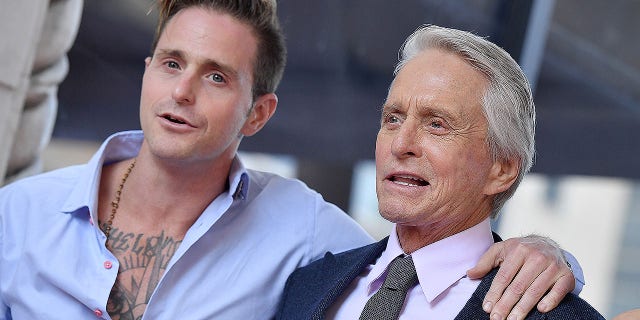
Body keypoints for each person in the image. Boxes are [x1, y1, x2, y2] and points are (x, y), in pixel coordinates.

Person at [0, 1, 580, 319]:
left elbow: (424, 252)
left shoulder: (301, 234)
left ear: (258, 114)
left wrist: (552, 258)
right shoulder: (19, 213)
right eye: (171, 63)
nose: (183, 92)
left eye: (218, 77)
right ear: (146, 70)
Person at [275, 25, 604, 320]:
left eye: (437, 124)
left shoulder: (554, 316)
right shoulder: (307, 285)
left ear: (501, 169)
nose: (401, 144)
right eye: (393, 118)